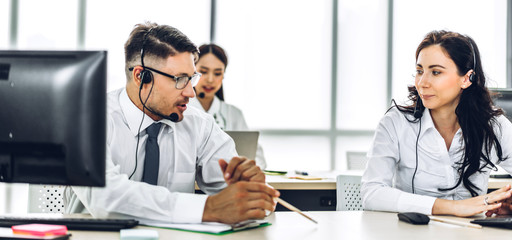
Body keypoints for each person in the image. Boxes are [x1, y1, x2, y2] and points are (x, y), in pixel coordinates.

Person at [64, 22, 279, 224]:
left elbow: (256, 204)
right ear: (141, 76)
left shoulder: (199, 125)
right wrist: (207, 209)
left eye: (192, 78)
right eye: (180, 80)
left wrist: (253, 192)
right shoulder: (88, 119)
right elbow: (106, 197)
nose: (191, 92)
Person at [361, 30, 512, 217]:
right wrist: (453, 207)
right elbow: (371, 193)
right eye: (419, 71)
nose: (422, 82)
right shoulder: (396, 122)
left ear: (466, 78)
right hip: (410, 233)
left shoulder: (494, 125)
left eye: (435, 72)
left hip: (472, 234)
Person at [189, 43, 267, 169]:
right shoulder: (181, 110)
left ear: (224, 75)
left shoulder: (234, 114)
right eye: (203, 71)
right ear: (192, 72)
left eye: (217, 73)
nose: (210, 79)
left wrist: (245, 169)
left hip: (229, 181)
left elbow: (258, 159)